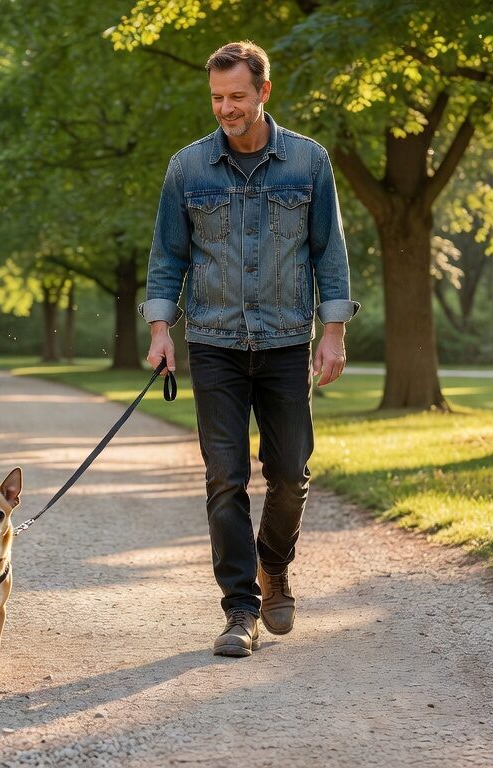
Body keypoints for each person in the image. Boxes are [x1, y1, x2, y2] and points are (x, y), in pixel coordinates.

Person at [141, 41, 358, 657]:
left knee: (290, 473)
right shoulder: (187, 169)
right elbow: (168, 258)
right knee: (224, 479)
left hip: (288, 341)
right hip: (213, 343)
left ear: (264, 92)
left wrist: (334, 331)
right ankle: (240, 610)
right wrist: (161, 331)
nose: (226, 108)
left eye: (237, 96)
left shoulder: (308, 162)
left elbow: (328, 253)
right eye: (217, 98)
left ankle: (275, 567)